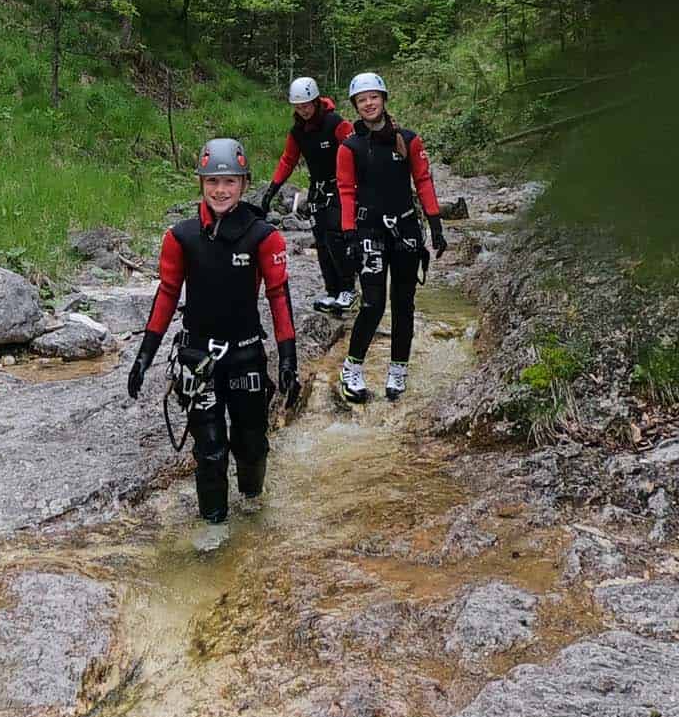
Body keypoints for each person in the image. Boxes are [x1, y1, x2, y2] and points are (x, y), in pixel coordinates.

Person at [126, 137, 298, 540]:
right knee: (210, 449)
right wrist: (144, 356)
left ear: (243, 183)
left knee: (251, 443)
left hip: (245, 356)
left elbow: (278, 296)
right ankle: (215, 527)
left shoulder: (263, 236)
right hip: (198, 359)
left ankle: (253, 507)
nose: (221, 190)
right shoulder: (181, 237)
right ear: (201, 184)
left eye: (230, 182)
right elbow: (167, 294)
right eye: (213, 182)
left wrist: (288, 359)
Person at [334, 72, 446, 404]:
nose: (369, 104)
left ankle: (398, 369)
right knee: (372, 304)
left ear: (383, 99)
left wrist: (436, 225)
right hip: (369, 231)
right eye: (361, 99)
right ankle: (352, 367)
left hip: (406, 230)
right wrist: (349, 234)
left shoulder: (408, 140)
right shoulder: (349, 147)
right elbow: (345, 191)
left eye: (374, 97)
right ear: (356, 105)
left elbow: (423, 181)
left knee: (403, 305)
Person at [257, 76, 356, 313]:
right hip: (318, 190)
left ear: (315, 101)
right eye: (298, 108)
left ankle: (349, 289)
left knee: (335, 236)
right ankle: (332, 290)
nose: (302, 111)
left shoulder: (335, 123)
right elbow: (288, 160)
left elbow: (356, 150)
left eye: (306, 106)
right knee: (321, 240)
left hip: (340, 188)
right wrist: (272, 190)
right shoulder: (298, 131)